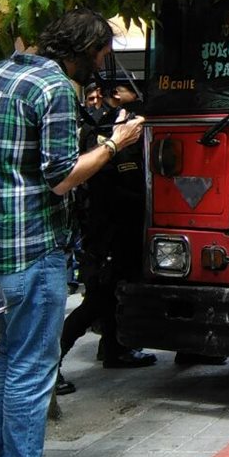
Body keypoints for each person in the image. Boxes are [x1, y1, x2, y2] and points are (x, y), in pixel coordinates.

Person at [0, 9, 145, 457]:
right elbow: (62, 177)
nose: (102, 66)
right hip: (30, 245)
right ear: (84, 48)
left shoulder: (1, 70)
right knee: (32, 367)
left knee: (8, 365)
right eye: (103, 55)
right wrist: (115, 142)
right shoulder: (55, 88)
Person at [57, 74, 155, 389]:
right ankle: (52, 365)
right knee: (97, 300)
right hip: (108, 229)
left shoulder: (114, 124)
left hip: (117, 228)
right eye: (132, 89)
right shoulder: (106, 130)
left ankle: (115, 349)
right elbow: (111, 185)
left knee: (114, 292)